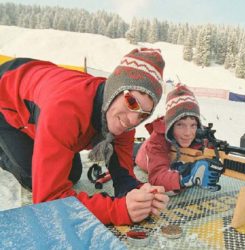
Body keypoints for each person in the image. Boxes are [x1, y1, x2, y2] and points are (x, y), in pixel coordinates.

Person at [0, 48, 169, 226]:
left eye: (144, 114)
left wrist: (142, 194)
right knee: (33, 179)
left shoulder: (122, 117)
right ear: (115, 88)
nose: (133, 120)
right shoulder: (65, 110)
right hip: (6, 94)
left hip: (41, 92)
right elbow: (47, 202)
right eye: (132, 101)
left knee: (71, 175)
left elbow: (123, 175)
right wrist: (117, 210)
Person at [135, 84, 223, 194]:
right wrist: (186, 176)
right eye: (180, 125)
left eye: (193, 125)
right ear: (170, 125)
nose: (188, 133)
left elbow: (209, 150)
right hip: (142, 154)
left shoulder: (198, 134)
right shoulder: (157, 140)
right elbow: (156, 178)